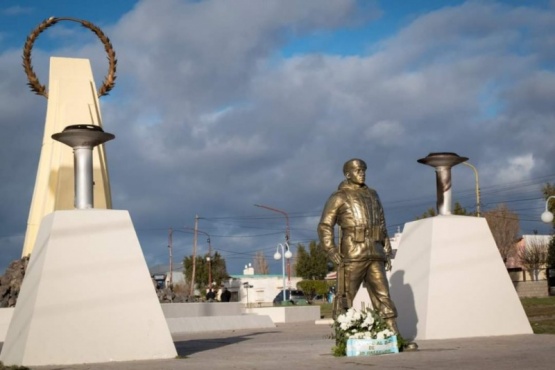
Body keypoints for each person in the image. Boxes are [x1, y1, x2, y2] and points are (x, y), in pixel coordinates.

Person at [317, 158, 399, 335]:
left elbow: (382, 222)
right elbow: (325, 225)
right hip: (353, 254)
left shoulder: (373, 194)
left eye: (363, 170)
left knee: (383, 295)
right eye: (357, 170)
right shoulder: (338, 197)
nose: (362, 173)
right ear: (348, 174)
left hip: (375, 253)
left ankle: (393, 335)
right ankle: (343, 336)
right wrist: (330, 249)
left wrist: (387, 249)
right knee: (345, 296)